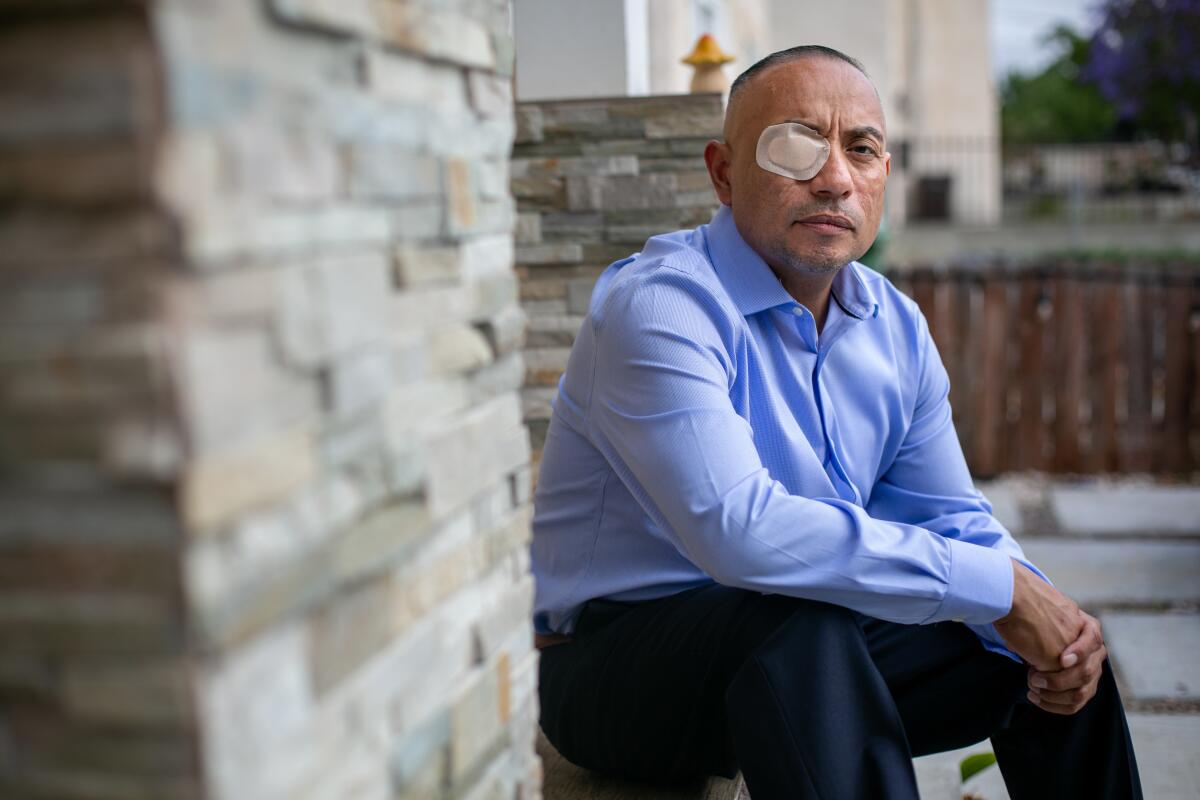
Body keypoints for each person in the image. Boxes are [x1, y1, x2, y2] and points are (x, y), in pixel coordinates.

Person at [529, 45, 1142, 799]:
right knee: (809, 628)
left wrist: (1041, 610)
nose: (835, 178)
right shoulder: (659, 308)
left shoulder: (894, 325)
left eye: (862, 149)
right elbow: (740, 532)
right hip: (614, 667)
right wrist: (1001, 589)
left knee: (1043, 654)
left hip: (796, 650)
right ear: (723, 172)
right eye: (796, 145)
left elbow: (951, 516)